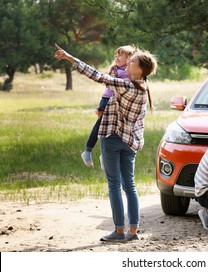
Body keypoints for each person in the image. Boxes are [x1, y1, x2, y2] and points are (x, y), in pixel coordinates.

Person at [54, 43, 158, 242]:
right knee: (130, 186)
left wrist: (70, 57)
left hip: (112, 139)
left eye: (133, 60)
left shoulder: (126, 85)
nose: (129, 61)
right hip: (130, 143)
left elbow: (96, 75)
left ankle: (119, 231)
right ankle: (133, 231)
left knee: (114, 185)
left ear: (140, 69)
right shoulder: (144, 89)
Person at [81, 45, 136, 168]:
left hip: (117, 103)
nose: (117, 57)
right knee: (101, 126)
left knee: (112, 130)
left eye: (120, 55)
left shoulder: (127, 71)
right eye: (116, 55)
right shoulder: (119, 72)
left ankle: (103, 155)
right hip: (107, 101)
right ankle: (88, 150)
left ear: (129, 58)